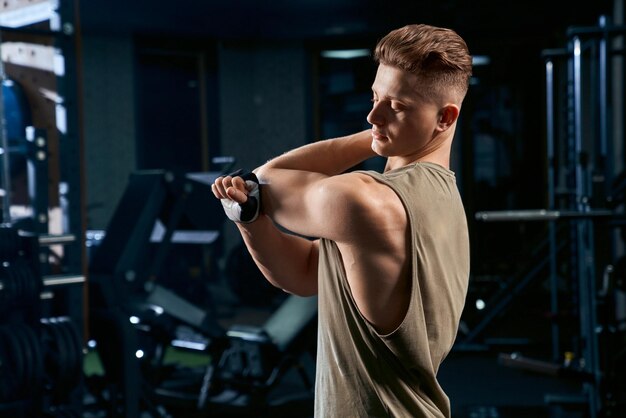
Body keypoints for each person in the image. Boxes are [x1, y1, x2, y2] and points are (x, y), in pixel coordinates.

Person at [211, 23, 472, 418]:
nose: (372, 114)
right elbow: (303, 273)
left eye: (396, 106)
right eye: (374, 97)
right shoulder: (440, 197)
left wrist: (374, 138)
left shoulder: (366, 202)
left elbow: (265, 178)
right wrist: (251, 221)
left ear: (444, 119)